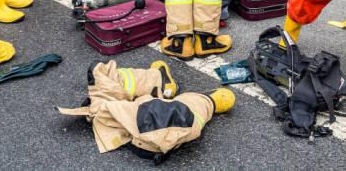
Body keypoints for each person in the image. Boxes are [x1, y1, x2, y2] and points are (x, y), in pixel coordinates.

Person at [58, 59, 235, 163]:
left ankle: (159, 81)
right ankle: (207, 101)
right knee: (174, 116)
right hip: (146, 133)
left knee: (106, 79)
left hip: (113, 117)